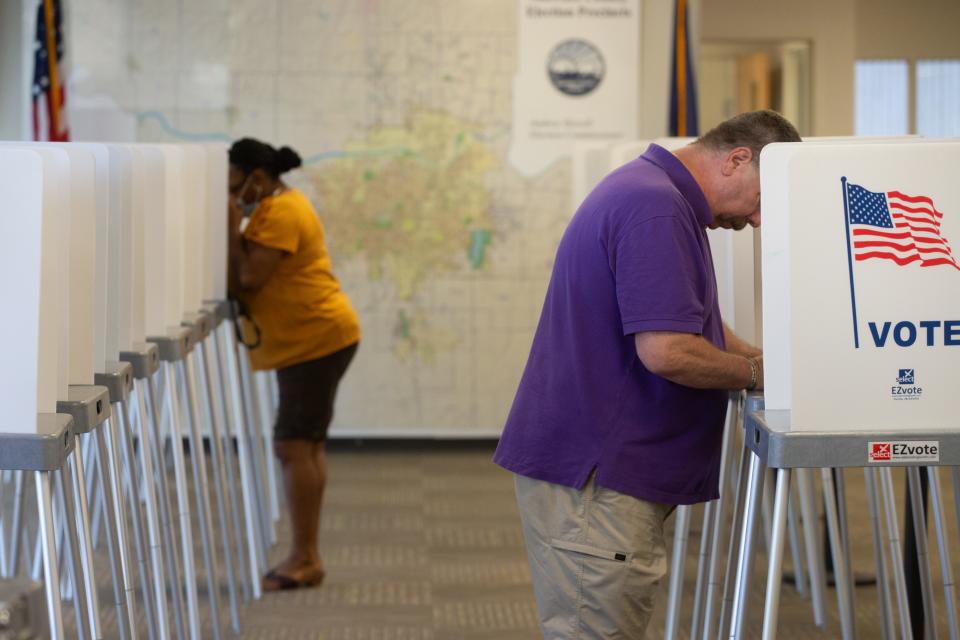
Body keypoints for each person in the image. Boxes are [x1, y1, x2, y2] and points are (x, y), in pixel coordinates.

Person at [493, 110, 801, 638]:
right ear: (737, 159)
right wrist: (752, 371)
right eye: (761, 201)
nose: (757, 221)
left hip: (599, 469)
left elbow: (686, 319)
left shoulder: (653, 192)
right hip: (598, 476)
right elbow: (667, 350)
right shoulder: (655, 206)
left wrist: (767, 363)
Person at [227, 137, 361, 591]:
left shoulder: (282, 211)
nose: (230, 193)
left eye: (233, 183)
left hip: (315, 338)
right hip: (312, 338)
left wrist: (228, 224)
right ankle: (307, 555)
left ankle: (305, 557)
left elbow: (248, 277)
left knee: (293, 445)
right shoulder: (274, 206)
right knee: (305, 444)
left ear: (257, 179)